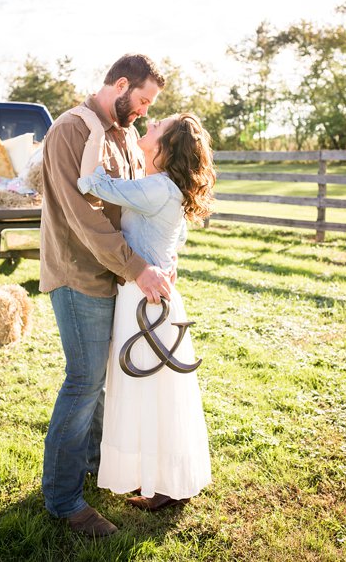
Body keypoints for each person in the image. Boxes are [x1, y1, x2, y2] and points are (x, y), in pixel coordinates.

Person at [39, 53, 173, 536]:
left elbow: (132, 202)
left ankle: (96, 468)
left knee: (101, 384)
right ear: (120, 85)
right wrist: (137, 267)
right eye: (141, 100)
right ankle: (63, 499)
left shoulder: (125, 135)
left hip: (115, 277)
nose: (143, 110)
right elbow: (84, 215)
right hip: (79, 276)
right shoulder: (70, 130)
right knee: (82, 384)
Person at [74, 107, 214, 511]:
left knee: (150, 390)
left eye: (159, 125)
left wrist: (95, 127)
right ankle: (161, 481)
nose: (149, 125)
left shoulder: (157, 188)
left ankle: (166, 483)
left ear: (167, 146)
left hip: (146, 298)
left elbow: (90, 182)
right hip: (151, 293)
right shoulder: (161, 185)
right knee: (152, 390)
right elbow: (177, 235)